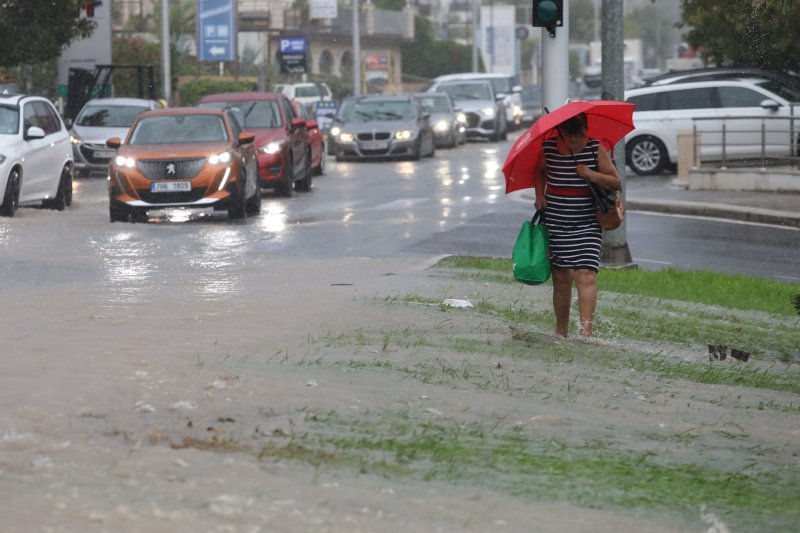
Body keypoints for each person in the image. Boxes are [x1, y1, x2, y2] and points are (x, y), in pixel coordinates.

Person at [532, 113, 621, 338]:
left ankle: (586, 332)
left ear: (586, 130)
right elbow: (538, 171)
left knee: (586, 274)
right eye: (571, 136)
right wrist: (539, 196)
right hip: (557, 221)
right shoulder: (548, 148)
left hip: (588, 222)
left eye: (580, 135)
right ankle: (561, 331)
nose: (575, 141)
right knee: (561, 279)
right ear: (561, 132)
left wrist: (590, 174)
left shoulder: (594, 148)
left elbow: (615, 180)